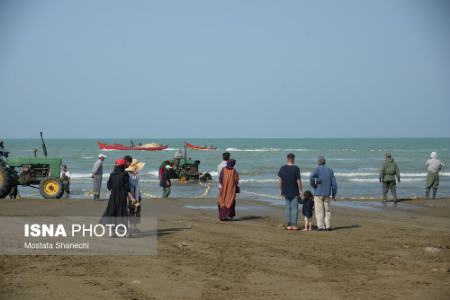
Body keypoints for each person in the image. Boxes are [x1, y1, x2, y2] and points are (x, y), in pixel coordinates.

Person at [100, 158, 134, 234]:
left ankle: (113, 231)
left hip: (113, 197)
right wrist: (131, 197)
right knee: (122, 213)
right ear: (123, 166)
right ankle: (125, 231)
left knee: (112, 212)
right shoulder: (125, 175)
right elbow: (127, 187)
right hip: (122, 197)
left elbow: (109, 186)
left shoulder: (112, 175)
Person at [310, 156, 337, 231]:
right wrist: (334, 193)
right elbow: (334, 184)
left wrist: (314, 184)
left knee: (319, 211)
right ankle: (328, 226)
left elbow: (311, 177)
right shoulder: (330, 170)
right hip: (327, 193)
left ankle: (321, 226)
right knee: (327, 211)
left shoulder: (317, 169)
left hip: (318, 193)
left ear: (318, 162)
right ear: (324, 162)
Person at [278, 153, 303, 230]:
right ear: (293, 159)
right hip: (294, 191)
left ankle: (289, 225)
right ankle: (294, 225)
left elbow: (280, 181)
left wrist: (281, 191)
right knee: (295, 208)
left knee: (287, 208)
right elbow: (298, 181)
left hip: (285, 191)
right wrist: (301, 190)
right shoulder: (296, 168)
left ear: (287, 159)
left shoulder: (282, 168)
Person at [125, 159, 145, 232]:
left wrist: (139, 197)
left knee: (137, 211)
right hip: (131, 197)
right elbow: (129, 188)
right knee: (131, 211)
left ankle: (134, 227)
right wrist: (132, 198)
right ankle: (131, 227)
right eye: (137, 167)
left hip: (137, 196)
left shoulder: (135, 175)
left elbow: (137, 187)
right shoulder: (128, 175)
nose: (138, 169)